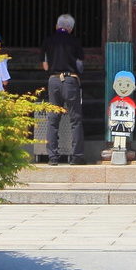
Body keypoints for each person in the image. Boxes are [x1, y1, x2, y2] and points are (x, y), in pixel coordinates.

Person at [40, 13, 84, 165]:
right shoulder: (75, 41)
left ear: (57, 26)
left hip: (53, 81)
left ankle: (52, 158)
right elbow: (80, 65)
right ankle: (76, 157)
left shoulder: (48, 40)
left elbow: (45, 65)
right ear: (71, 28)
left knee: (53, 120)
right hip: (71, 80)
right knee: (75, 119)